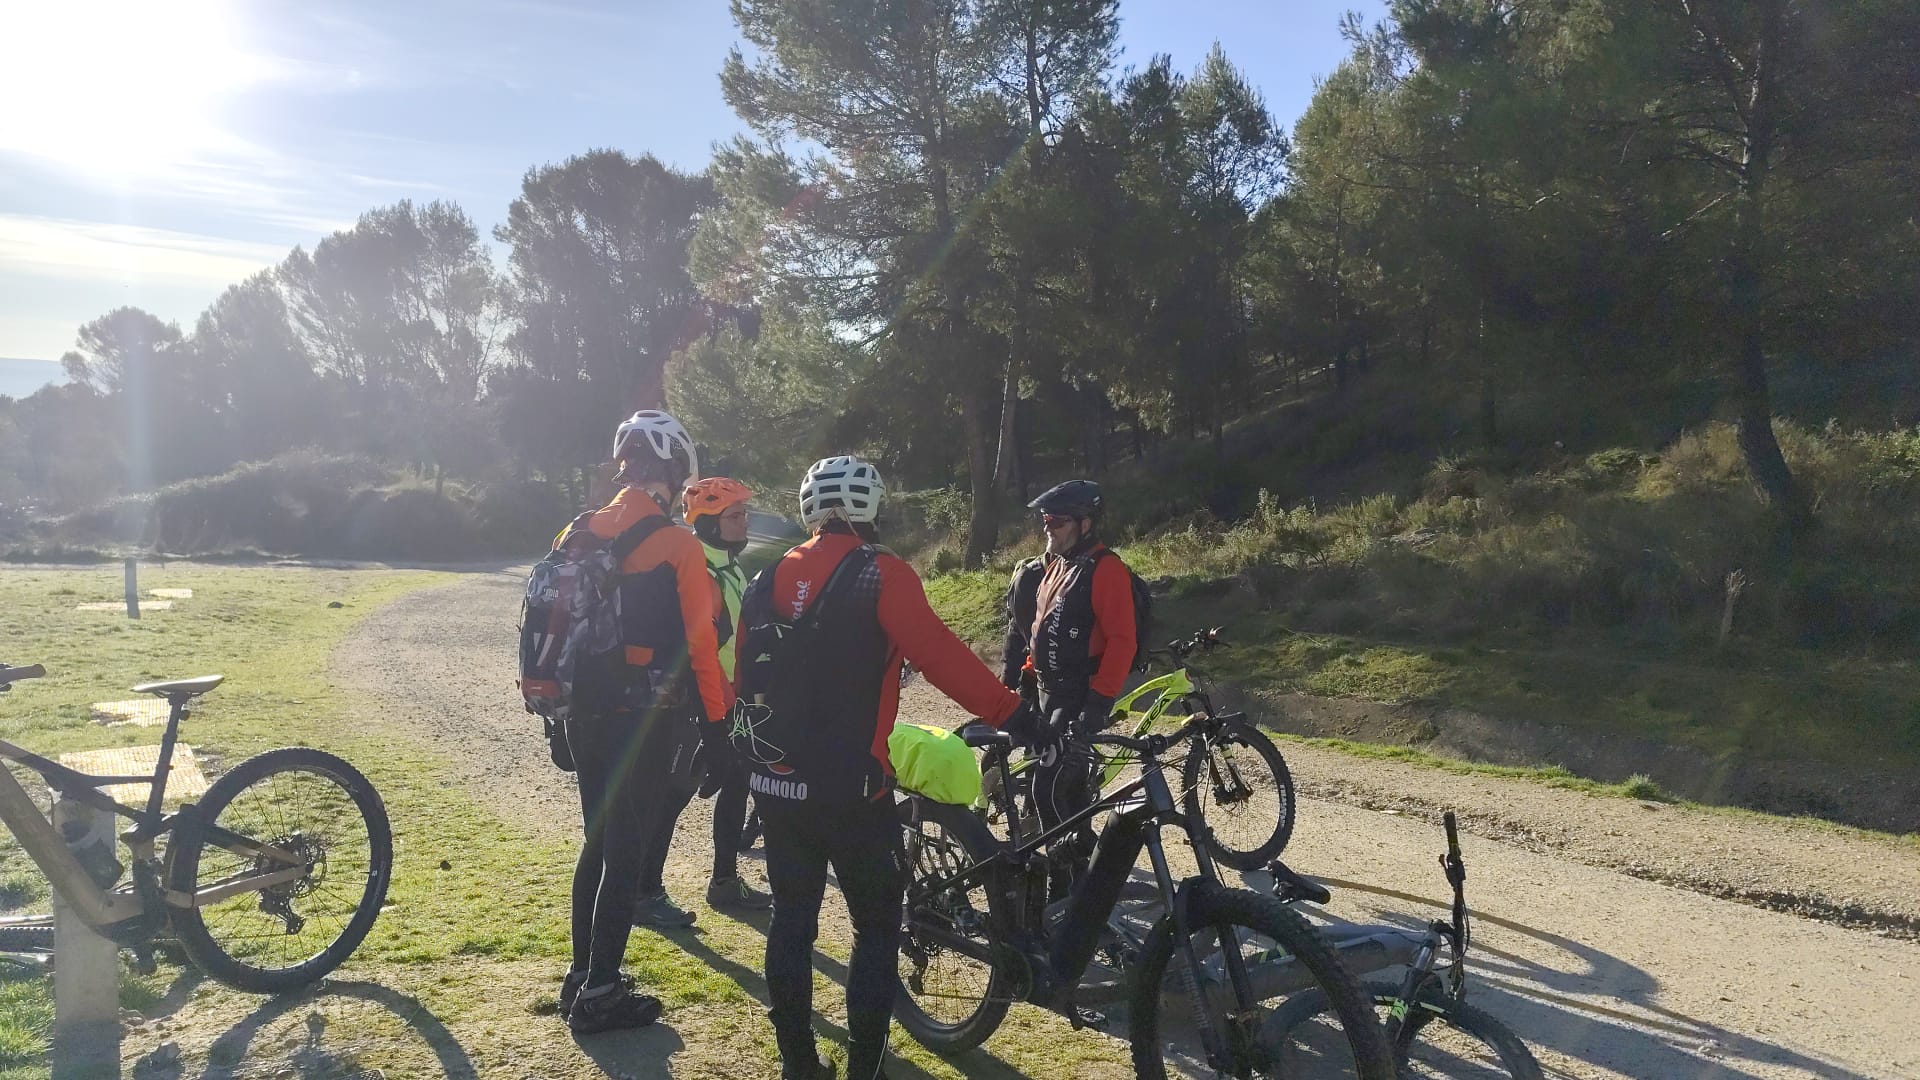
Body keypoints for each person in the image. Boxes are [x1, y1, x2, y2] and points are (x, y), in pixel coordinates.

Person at [740, 454, 1038, 1080]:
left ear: (809, 508)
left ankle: (799, 1064)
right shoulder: (880, 573)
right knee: (875, 928)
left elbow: (742, 676)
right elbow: (940, 656)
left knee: (791, 922)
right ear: (871, 506)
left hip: (775, 779)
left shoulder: (767, 576)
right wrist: (1013, 712)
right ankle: (864, 1069)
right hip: (852, 787)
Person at [556, 409, 735, 1034]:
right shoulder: (678, 544)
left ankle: (581, 974)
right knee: (626, 851)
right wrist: (718, 729)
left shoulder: (577, 529)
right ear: (675, 470)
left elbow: (559, 630)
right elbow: (701, 647)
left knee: (599, 841)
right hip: (643, 717)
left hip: (581, 713)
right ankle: (602, 991)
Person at [1000, 478, 1138, 897]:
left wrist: (1098, 703)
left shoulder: (1106, 569)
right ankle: (1080, 885)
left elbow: (1123, 642)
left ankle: (1073, 889)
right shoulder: (1057, 565)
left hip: (1077, 696)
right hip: (1047, 692)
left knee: (1051, 790)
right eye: (1045, 521)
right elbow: (1040, 632)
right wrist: (1025, 678)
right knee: (1065, 795)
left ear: (1085, 524)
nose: (1048, 528)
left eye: (1057, 522)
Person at [681, 475, 772, 911]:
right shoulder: (699, 571)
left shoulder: (729, 566)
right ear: (710, 523)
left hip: (730, 699)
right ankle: (641, 886)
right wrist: (722, 711)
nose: (744, 522)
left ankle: (723, 879)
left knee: (736, 786)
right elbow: (701, 650)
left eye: (744, 514)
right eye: (736, 516)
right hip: (706, 703)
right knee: (674, 794)